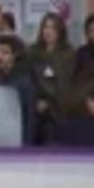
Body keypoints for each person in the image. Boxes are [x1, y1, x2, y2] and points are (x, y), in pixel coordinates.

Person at [0, 34, 38, 147]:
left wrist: (27, 147)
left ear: (15, 55)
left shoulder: (24, 81)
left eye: (5, 52)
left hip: (16, 142)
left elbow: (29, 118)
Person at [26, 12, 75, 146]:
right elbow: (28, 80)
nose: (48, 31)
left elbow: (67, 83)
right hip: (37, 112)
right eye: (46, 27)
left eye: (53, 28)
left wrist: (50, 101)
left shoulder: (68, 53)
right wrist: (37, 100)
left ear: (60, 31)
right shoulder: (32, 52)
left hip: (60, 111)